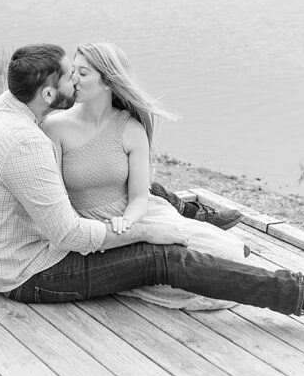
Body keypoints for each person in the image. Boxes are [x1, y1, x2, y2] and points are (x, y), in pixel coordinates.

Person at [0, 44, 304, 331]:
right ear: (47, 93)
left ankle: (298, 285)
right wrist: (144, 230)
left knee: (160, 236)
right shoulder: (25, 141)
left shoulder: (1, 113)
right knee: (162, 259)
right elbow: (69, 235)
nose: (73, 83)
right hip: (25, 274)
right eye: (66, 78)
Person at [42, 42, 249, 310]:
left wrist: (127, 221)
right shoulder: (54, 126)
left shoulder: (131, 129)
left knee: (220, 252)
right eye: (73, 72)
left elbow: (140, 196)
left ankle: (231, 248)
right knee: (196, 268)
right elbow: (54, 198)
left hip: (137, 215)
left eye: (84, 74)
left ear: (107, 83)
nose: (73, 80)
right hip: (89, 229)